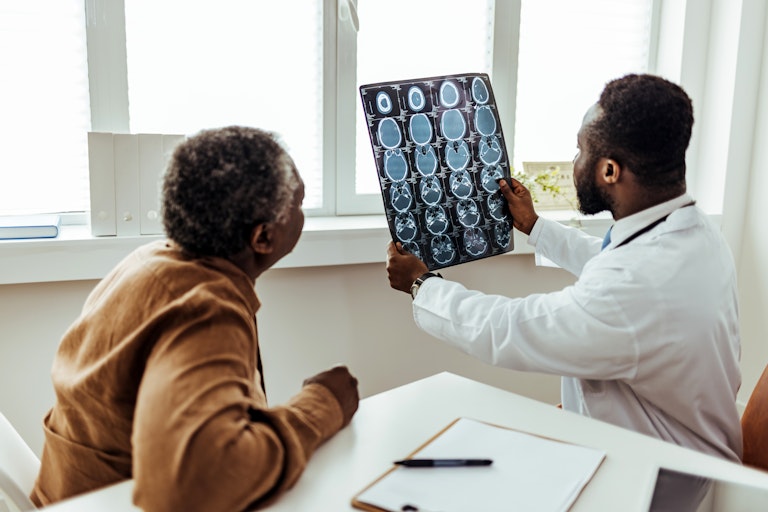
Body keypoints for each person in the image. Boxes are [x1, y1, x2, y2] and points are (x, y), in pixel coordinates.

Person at [386, 74, 742, 465]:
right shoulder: (696, 233)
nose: (574, 163)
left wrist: (423, 285)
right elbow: (611, 265)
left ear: (610, 171)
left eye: (580, 151)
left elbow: (512, 329)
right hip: (677, 445)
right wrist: (536, 227)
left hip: (652, 480)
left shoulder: (636, 285)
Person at [31, 126, 360, 511]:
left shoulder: (150, 261)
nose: (302, 214)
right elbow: (192, 484)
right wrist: (319, 406)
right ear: (264, 238)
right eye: (299, 203)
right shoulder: (205, 307)